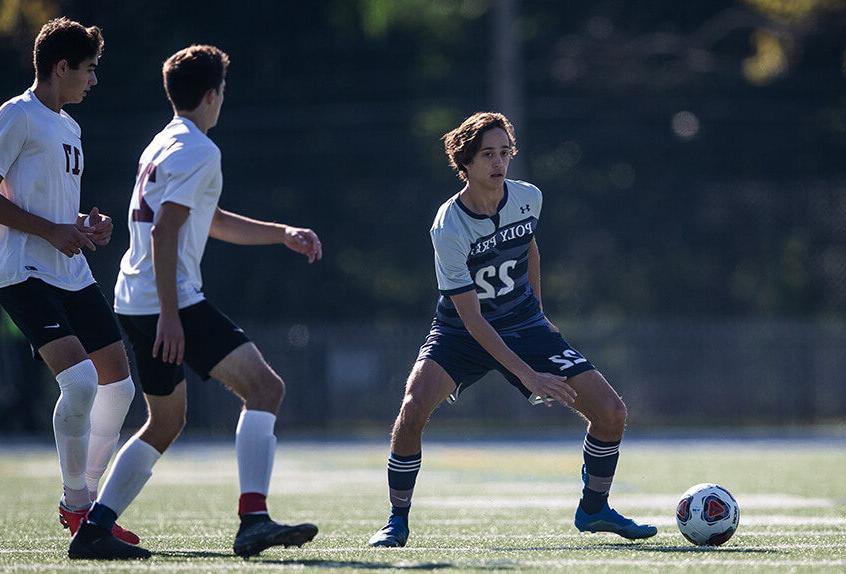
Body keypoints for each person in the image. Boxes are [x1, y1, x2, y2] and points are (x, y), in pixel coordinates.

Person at [68, 44, 323, 560]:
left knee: (165, 421)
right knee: (265, 389)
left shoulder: (165, 141)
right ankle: (253, 518)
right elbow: (166, 231)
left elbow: (205, 218)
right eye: (223, 91)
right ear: (213, 95)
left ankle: (95, 529)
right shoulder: (200, 150)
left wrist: (281, 233)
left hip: (133, 298)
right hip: (168, 301)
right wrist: (170, 314)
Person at [368, 112, 657, 548]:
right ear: (463, 164)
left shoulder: (528, 198)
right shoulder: (448, 226)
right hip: (462, 335)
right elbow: (472, 319)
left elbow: (530, 247)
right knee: (411, 410)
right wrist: (528, 374)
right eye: (487, 154)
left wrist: (538, 311)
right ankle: (397, 519)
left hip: (523, 323)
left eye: (505, 152)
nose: (499, 162)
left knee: (612, 413)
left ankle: (594, 508)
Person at [0, 17, 140, 548]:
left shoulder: (69, 126)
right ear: (61, 68)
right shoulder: (17, 116)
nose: (94, 80)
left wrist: (84, 226)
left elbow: (53, 207)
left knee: (120, 385)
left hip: (71, 269)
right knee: (80, 382)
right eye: (89, 69)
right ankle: (79, 507)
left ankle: (85, 500)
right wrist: (52, 230)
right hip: (22, 271)